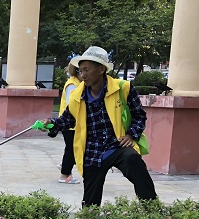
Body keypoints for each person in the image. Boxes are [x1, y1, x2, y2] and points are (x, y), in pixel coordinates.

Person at [45, 46, 157, 208]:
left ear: (101, 69)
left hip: (117, 145)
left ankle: (152, 209)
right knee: (90, 203)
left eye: (87, 70)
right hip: (92, 150)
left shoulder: (123, 88)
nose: (83, 75)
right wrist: (51, 124)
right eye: (80, 70)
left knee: (134, 161)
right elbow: (67, 120)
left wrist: (131, 135)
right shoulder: (77, 96)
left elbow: (139, 115)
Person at [57, 60, 81, 184]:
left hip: (73, 124)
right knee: (71, 150)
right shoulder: (72, 85)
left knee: (72, 149)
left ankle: (65, 167)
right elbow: (72, 106)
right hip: (69, 124)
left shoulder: (78, 83)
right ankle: (64, 175)